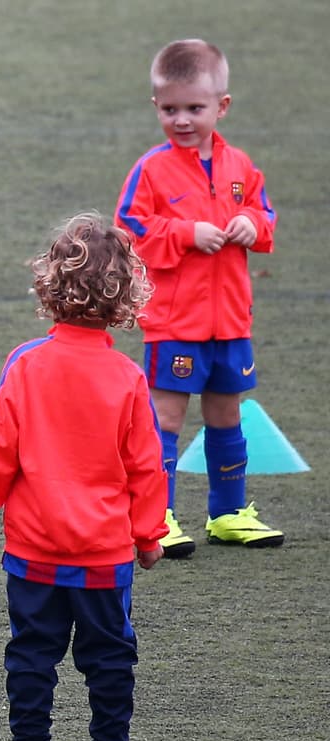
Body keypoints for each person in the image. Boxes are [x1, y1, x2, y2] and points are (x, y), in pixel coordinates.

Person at [0, 212, 167, 741]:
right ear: (126, 295)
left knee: (31, 656)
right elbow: (145, 466)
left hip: (34, 552)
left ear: (49, 289)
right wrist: (149, 535)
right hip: (103, 555)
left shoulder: (27, 365)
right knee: (110, 659)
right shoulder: (126, 377)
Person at [115, 38, 283, 559]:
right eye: (170, 109)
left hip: (231, 322)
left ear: (221, 106)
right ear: (156, 108)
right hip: (175, 322)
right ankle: (157, 518)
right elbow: (131, 228)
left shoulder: (241, 165)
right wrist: (187, 234)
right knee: (165, 420)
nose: (182, 119)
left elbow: (266, 216)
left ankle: (228, 513)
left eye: (194, 108)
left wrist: (248, 223)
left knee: (226, 416)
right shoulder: (151, 169)